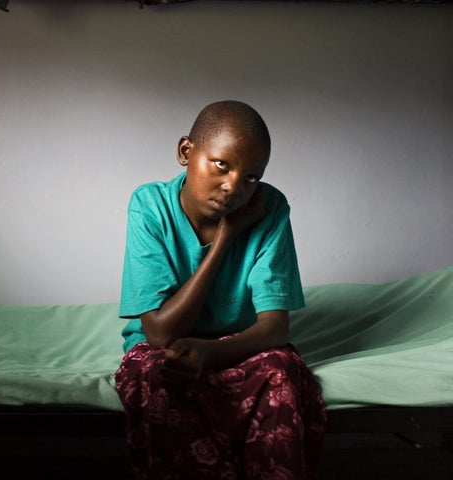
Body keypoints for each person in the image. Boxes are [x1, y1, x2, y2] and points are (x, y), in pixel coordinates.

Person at [115, 100, 326, 479]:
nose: (233, 187)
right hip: (166, 349)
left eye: (251, 177)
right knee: (157, 378)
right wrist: (225, 241)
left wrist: (209, 352)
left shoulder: (269, 208)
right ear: (186, 151)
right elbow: (161, 332)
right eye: (222, 165)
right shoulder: (149, 206)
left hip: (238, 346)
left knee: (282, 369)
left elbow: (275, 329)